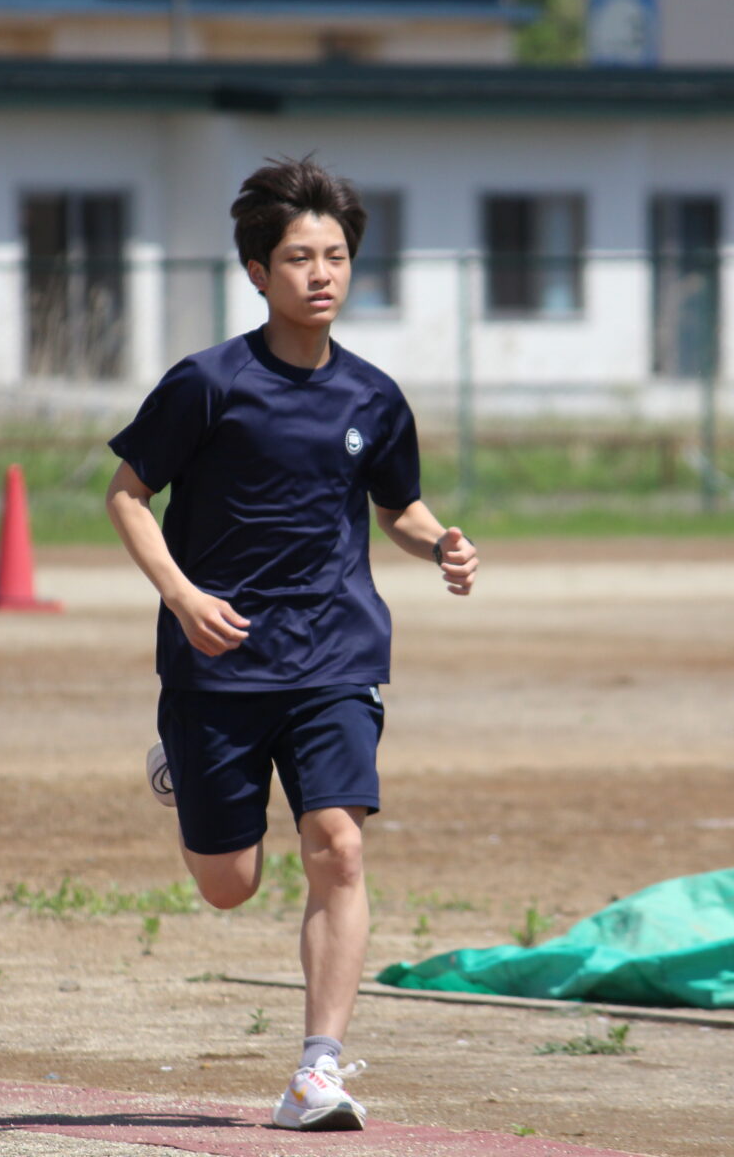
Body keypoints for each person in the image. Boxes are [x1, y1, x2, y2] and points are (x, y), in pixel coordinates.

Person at [104, 157, 479, 1131]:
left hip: (334, 657)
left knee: (339, 846)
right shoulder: (208, 385)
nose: (322, 274)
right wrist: (184, 597)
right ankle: (184, 770)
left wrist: (437, 540)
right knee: (229, 888)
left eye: (338, 256)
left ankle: (319, 1070)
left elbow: (395, 507)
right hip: (218, 660)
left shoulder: (373, 397)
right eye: (300, 258)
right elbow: (126, 495)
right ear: (258, 273)